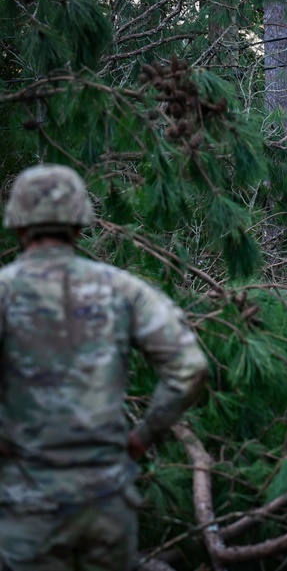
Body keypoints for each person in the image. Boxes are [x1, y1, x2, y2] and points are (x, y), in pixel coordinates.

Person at [0, 163, 209, 571]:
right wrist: (145, 434)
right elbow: (190, 366)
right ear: (81, 225)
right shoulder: (122, 290)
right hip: (106, 501)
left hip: (28, 503)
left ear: (19, 226)